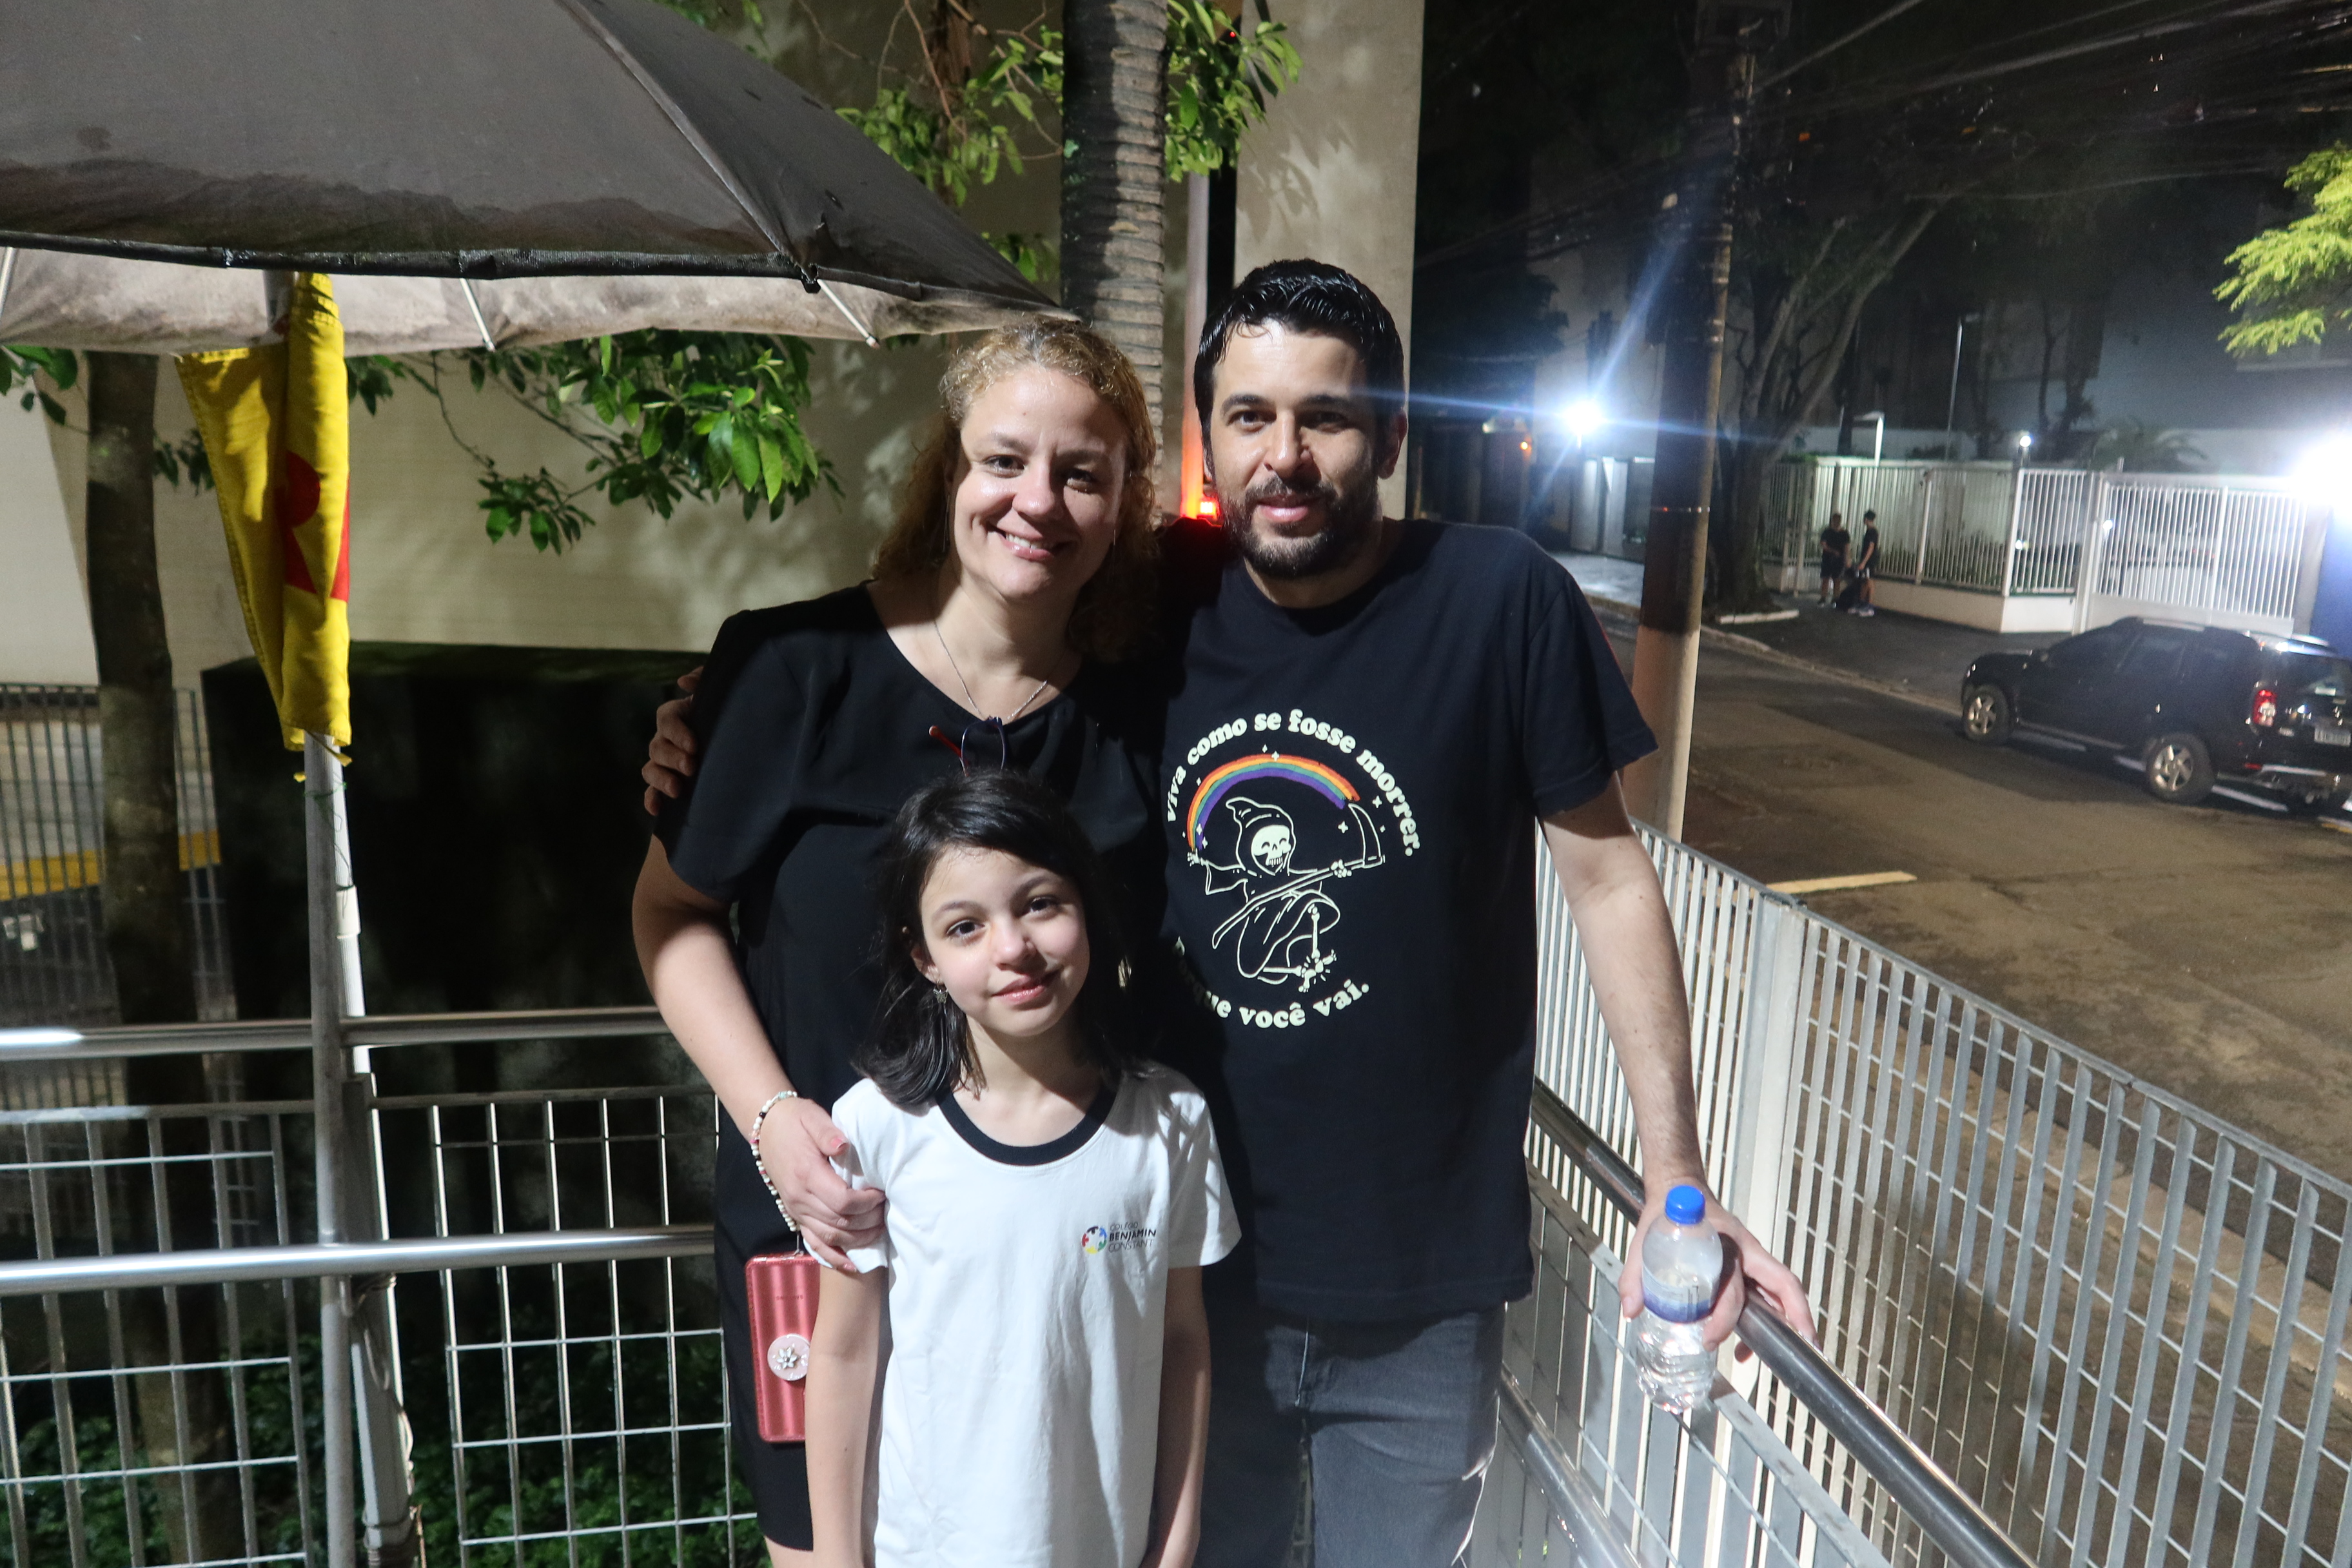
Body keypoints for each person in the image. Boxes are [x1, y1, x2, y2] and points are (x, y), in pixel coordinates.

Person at [647, 261, 1816, 1567]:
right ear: (1209, 439)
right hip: (1156, 1257)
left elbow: (1608, 879)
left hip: (1407, 1274)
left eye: (1328, 416)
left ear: (1392, 434)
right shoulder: (1148, 611)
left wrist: (1675, 1176)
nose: (1287, 455)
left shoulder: (1484, 598)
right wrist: (720, 706)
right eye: (1250, 416)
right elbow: (898, 691)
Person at [631, 317, 1170, 1565]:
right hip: (820, 1227)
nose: (1037, 500)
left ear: (1123, 505)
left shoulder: (1142, 711)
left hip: (1041, 1267)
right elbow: (670, 914)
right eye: (1004, 460)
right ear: (947, 473)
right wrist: (774, 1122)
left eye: (1081, 473)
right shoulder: (791, 670)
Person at [805, 769, 1236, 1568]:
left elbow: (1183, 1340)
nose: (1013, 948)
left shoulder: (1171, 1119)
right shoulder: (876, 1124)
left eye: (1040, 903)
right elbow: (844, 1351)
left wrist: (1177, 1539)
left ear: (1087, 905)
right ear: (924, 955)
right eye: (965, 926)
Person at [1850, 509, 1880, 616]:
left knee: (1869, 581)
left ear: (1867, 519)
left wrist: (1864, 562)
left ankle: (1869, 606)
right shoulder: (1869, 531)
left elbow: (1871, 548)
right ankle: (1862, 603)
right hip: (1867, 561)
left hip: (1869, 561)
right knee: (1864, 581)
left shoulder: (1872, 532)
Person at [1818, 511, 1850, 606]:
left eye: (1837, 520)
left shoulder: (1843, 533)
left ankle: (1834, 599)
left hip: (1837, 559)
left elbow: (1847, 548)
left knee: (1836, 580)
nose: (1836, 522)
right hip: (1829, 558)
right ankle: (1825, 598)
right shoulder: (1828, 532)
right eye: (1835, 520)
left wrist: (1847, 558)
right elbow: (1823, 544)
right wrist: (1835, 552)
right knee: (1827, 579)